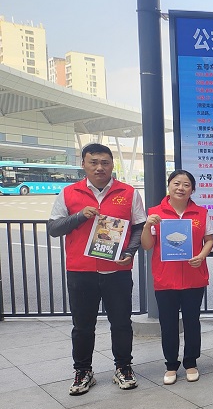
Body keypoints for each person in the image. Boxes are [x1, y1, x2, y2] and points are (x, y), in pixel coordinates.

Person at [47, 143, 145, 395]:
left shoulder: (129, 192)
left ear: (112, 165)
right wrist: (80, 216)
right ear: (83, 164)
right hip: (81, 271)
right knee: (82, 326)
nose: (100, 167)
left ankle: (123, 367)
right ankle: (83, 371)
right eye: (94, 162)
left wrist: (129, 252)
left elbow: (138, 227)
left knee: (121, 323)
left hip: (117, 271)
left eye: (105, 162)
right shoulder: (68, 193)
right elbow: (54, 228)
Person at [141, 170, 213, 384]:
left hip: (193, 277)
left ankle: (191, 362)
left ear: (192, 189)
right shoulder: (155, 213)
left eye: (186, 184)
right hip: (166, 279)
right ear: (169, 185)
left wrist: (201, 255)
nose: (181, 188)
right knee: (168, 324)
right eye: (176, 183)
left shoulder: (201, 213)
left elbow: (209, 239)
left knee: (192, 322)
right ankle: (171, 365)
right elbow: (147, 245)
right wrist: (147, 225)